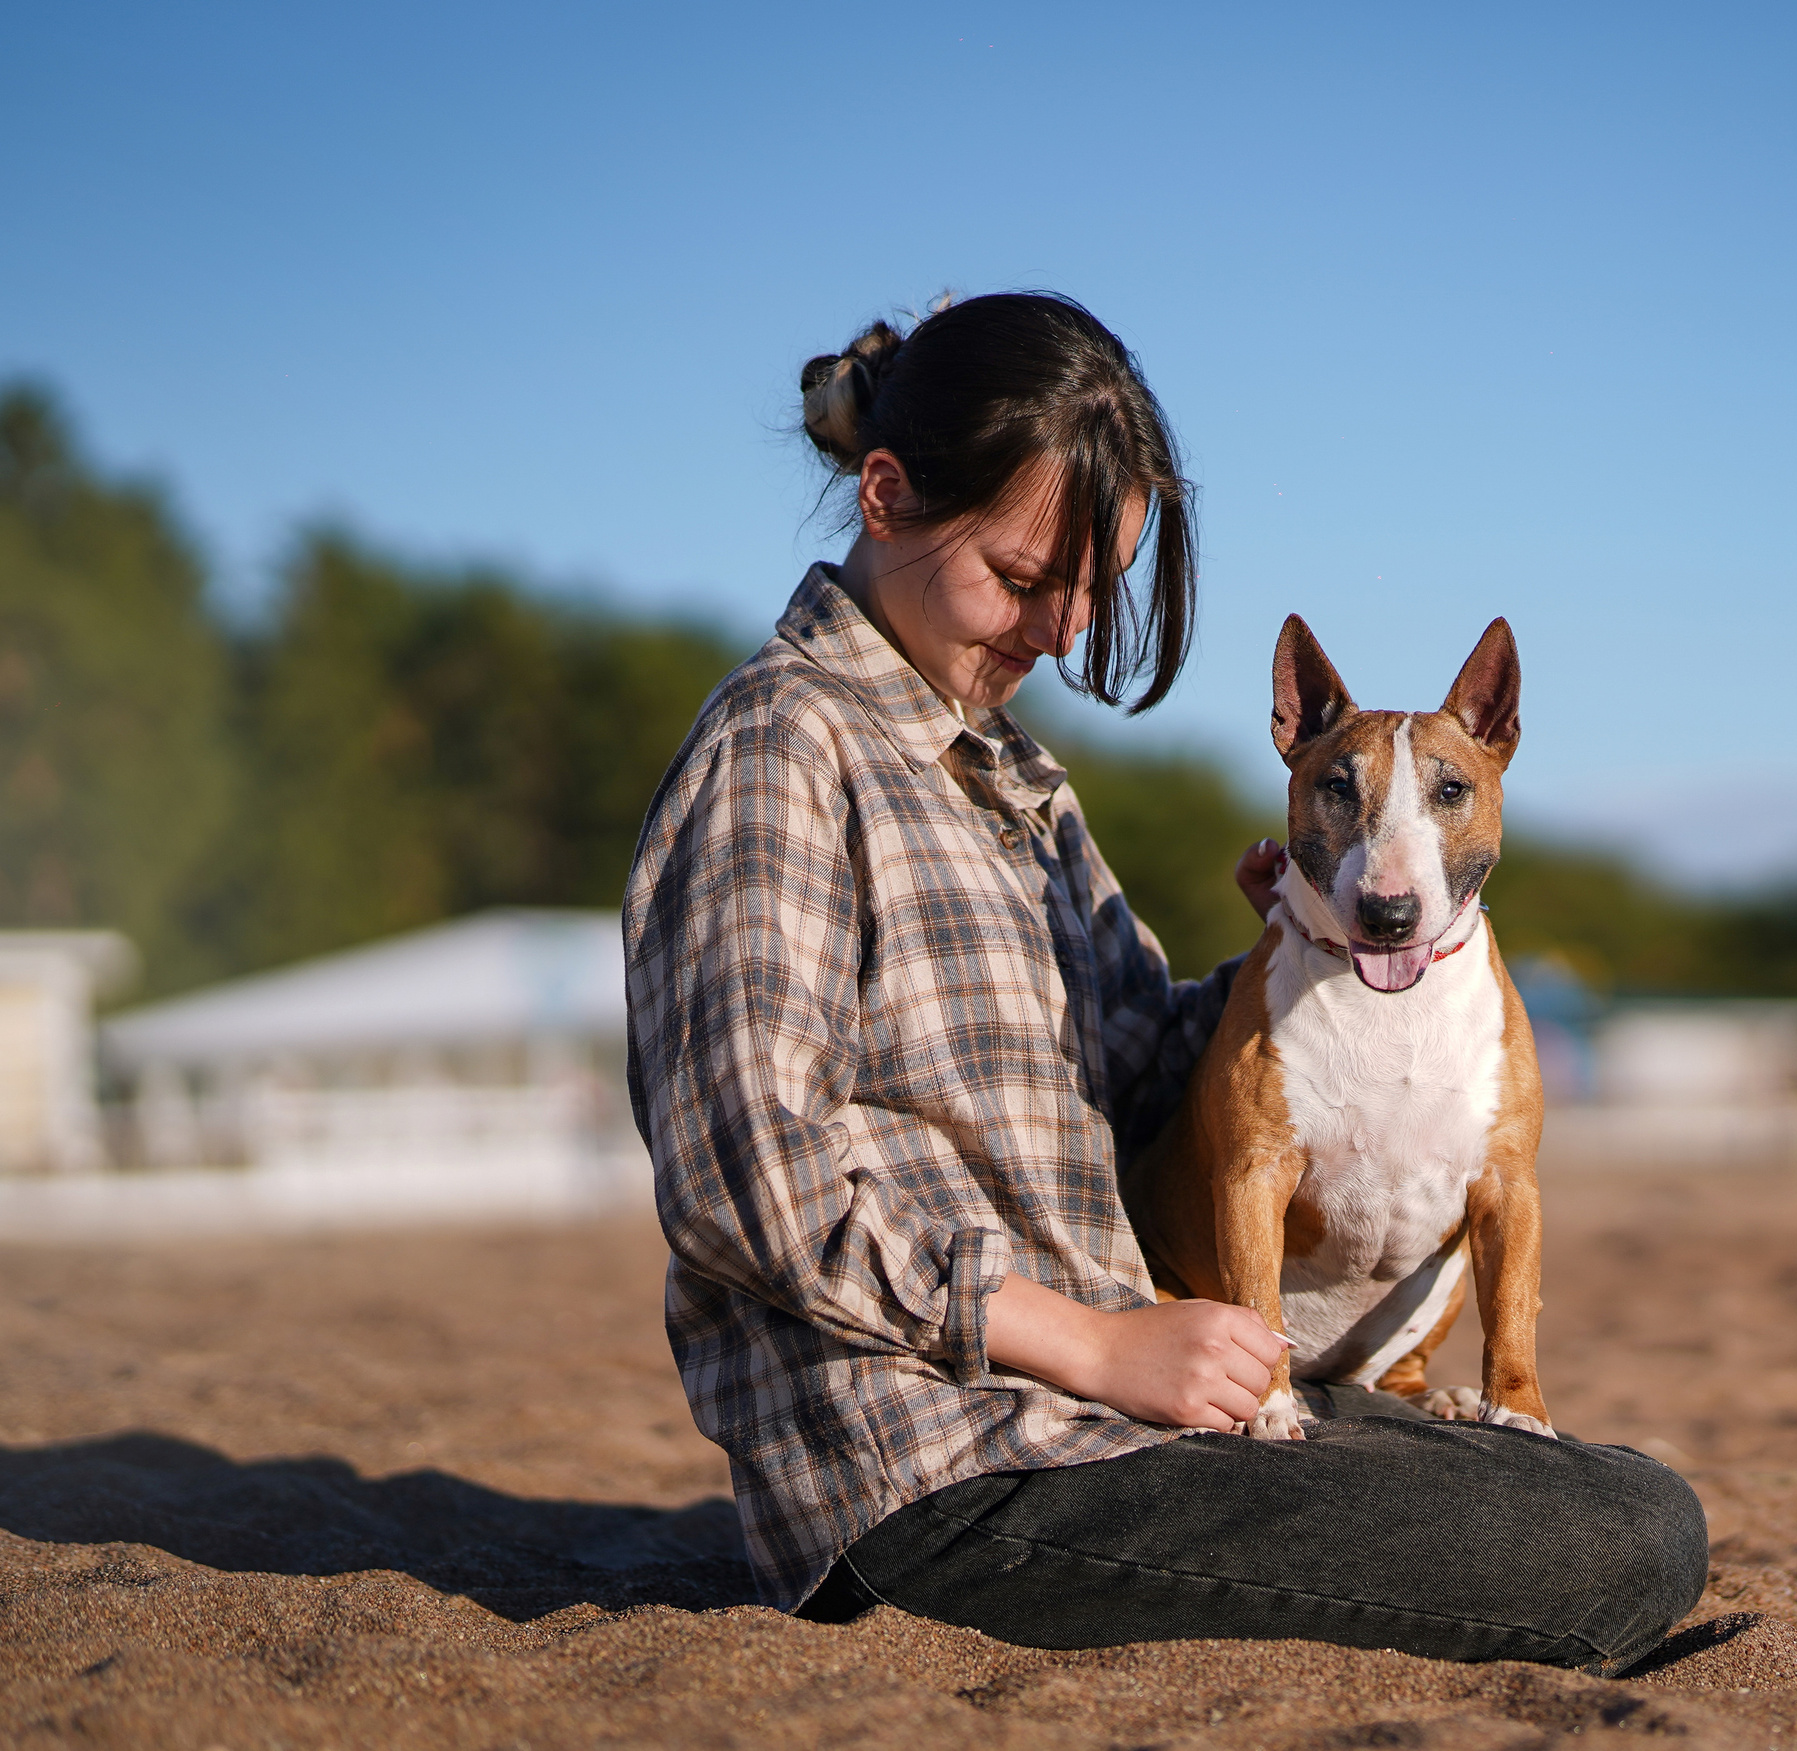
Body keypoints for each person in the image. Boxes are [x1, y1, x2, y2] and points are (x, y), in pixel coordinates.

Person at [622, 292, 1706, 1674]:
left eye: (1094, 590)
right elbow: (744, 1187)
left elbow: (1143, 1058)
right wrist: (1090, 1347)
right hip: (937, 1479)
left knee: (1594, 1485)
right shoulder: (779, 755)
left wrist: (1294, 948)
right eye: (1025, 580)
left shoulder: (1010, 774)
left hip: (1118, 1416)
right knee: (1626, 1538)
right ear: (885, 497)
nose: (1063, 633)